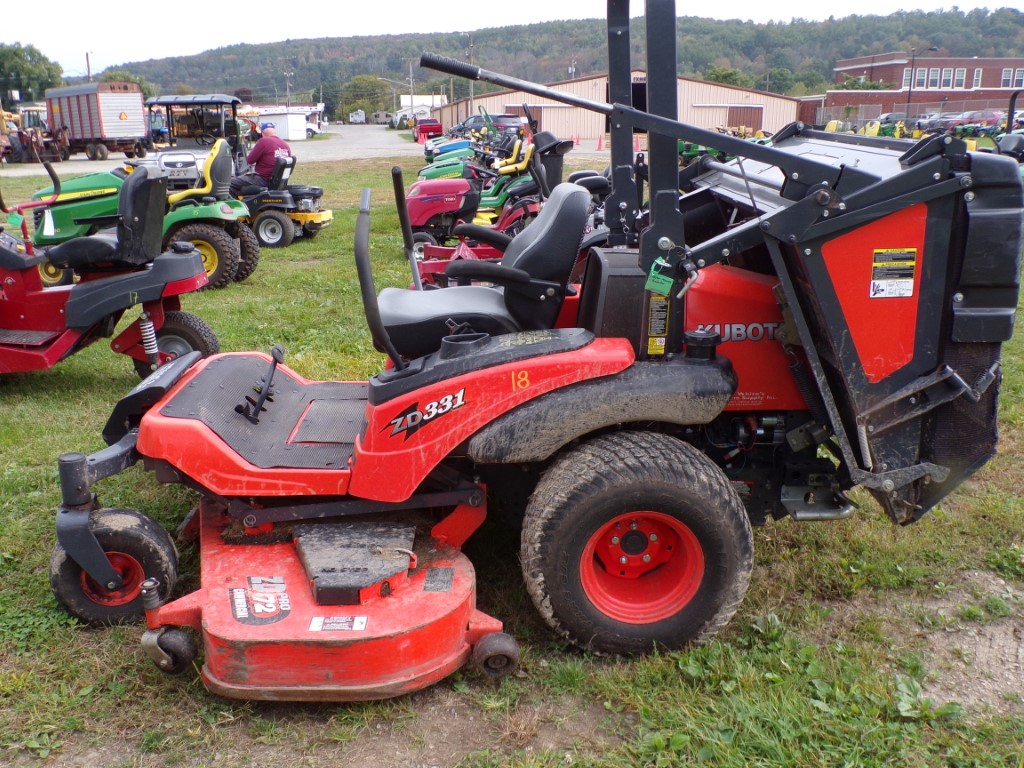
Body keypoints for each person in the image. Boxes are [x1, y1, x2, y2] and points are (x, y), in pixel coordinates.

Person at [230, 122, 291, 197]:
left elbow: (249, 160)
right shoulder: (285, 144)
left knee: (229, 183)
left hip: (262, 179)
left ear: (262, 133)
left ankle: (231, 206)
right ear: (275, 131)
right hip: (277, 181)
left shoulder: (263, 142)